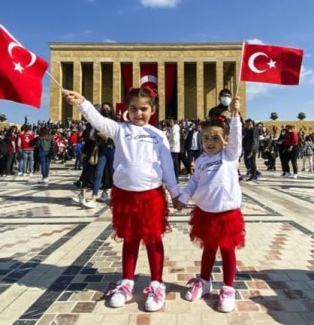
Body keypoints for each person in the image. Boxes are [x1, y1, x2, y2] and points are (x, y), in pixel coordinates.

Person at [63, 86, 181, 312]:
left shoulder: (158, 135)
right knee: (130, 239)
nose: (139, 113)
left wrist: (175, 193)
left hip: (151, 195)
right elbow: (98, 121)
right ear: (127, 110)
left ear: (153, 110)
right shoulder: (119, 129)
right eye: (134, 109)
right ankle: (127, 282)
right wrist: (82, 102)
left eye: (144, 109)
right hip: (125, 195)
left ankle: (157, 283)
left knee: (153, 238)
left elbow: (166, 166)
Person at [174, 98, 245, 313]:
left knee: (227, 251)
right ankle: (204, 282)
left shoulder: (229, 156)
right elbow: (194, 181)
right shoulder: (202, 160)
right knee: (208, 249)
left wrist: (235, 116)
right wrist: (183, 198)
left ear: (225, 140)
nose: (210, 142)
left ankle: (228, 288)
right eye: (206, 138)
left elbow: (237, 140)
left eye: (215, 138)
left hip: (227, 213)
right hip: (205, 212)